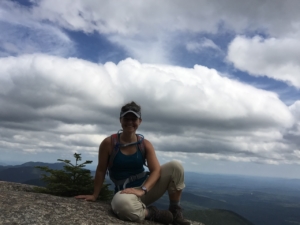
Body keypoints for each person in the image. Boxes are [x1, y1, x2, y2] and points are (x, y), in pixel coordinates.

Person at [75, 101, 191, 225]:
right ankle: (152, 213)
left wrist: (143, 189)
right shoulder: (109, 143)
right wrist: (94, 195)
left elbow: (156, 170)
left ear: (139, 121)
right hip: (125, 193)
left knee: (176, 166)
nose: (130, 122)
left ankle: (175, 211)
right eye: (126, 118)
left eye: (134, 119)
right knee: (122, 205)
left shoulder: (145, 144)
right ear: (120, 120)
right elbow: (101, 170)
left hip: (145, 188)